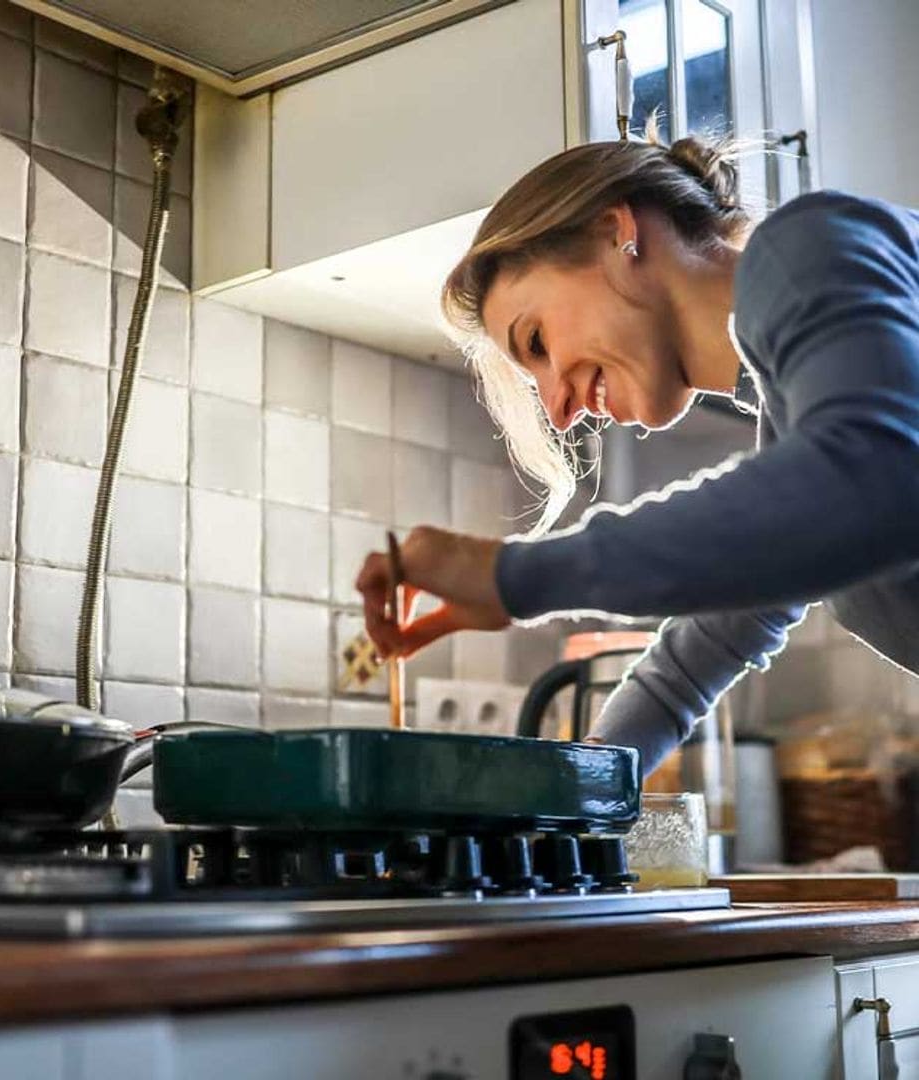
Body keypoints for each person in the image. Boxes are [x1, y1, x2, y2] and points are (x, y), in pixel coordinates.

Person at [356, 131, 919, 776]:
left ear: (616, 233)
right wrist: (585, 786)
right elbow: (714, 635)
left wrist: (508, 574)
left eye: (537, 340)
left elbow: (872, 483)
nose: (559, 408)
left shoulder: (806, 247)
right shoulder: (797, 420)